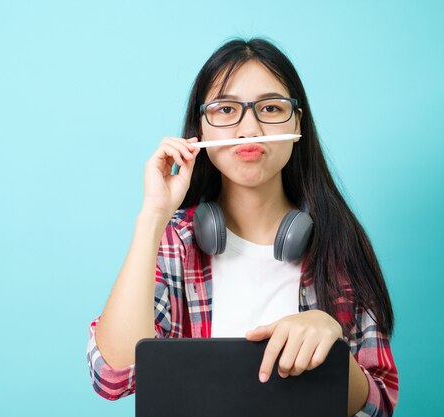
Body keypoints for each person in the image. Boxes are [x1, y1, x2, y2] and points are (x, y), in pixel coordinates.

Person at [86, 38, 398, 417]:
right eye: (226, 109)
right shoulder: (176, 243)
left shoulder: (339, 247)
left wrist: (331, 348)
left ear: (297, 124)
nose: (249, 129)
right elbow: (113, 378)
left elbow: (379, 408)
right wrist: (153, 215)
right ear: (200, 128)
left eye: (270, 108)